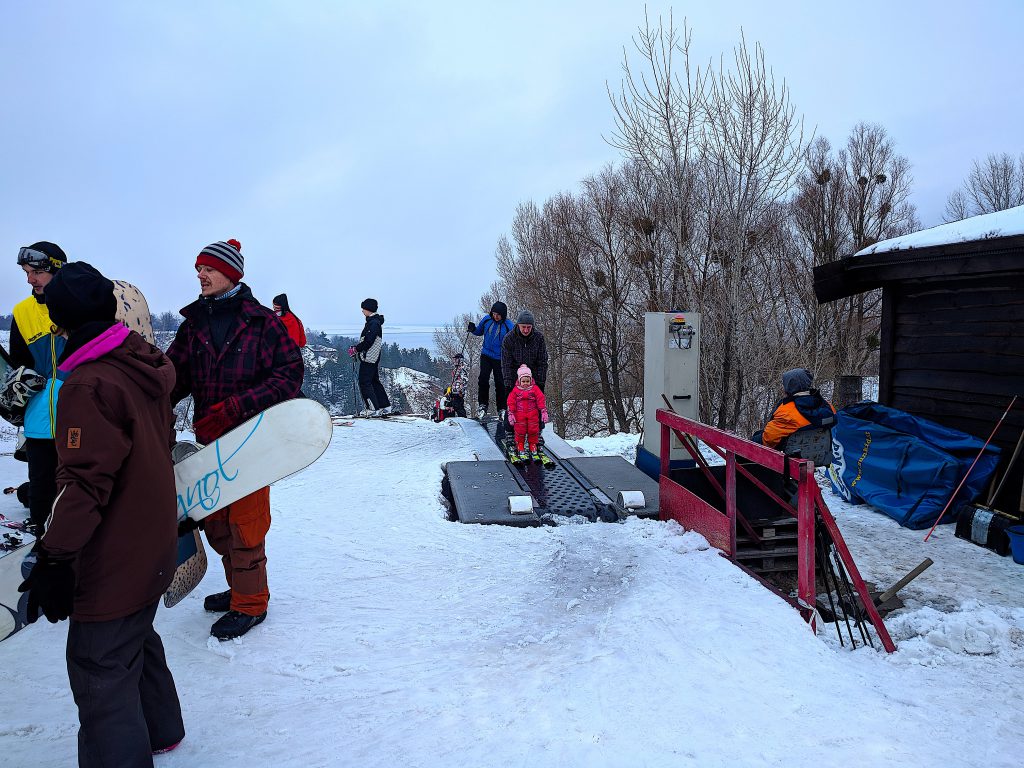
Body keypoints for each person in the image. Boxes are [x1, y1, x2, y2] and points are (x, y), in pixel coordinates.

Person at [18, 261, 185, 764]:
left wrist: (53, 557)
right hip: (153, 542)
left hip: (114, 554)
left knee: (98, 663)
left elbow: (84, 484)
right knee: (135, 633)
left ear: (58, 320)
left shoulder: (88, 384)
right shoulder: (141, 363)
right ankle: (162, 730)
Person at [166, 239, 303, 640]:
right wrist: (152, 402)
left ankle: (251, 602)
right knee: (217, 524)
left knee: (246, 526)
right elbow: (174, 374)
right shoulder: (194, 324)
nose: (200, 275)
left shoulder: (262, 322)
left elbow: (290, 374)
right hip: (208, 441)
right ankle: (238, 589)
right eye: (198, 269)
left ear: (232, 274)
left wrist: (237, 406)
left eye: (208, 268)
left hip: (250, 442)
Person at [8, 242, 68, 536]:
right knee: (42, 486)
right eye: (26, 273)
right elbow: (18, 364)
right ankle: (40, 542)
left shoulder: (80, 307)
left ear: (57, 270)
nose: (30, 280)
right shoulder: (22, 311)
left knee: (75, 487)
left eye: (36, 272)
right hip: (38, 419)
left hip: (78, 415)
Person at [755, 368, 836, 449]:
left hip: (791, 458)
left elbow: (768, 440)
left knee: (753, 441)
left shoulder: (786, 413)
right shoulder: (828, 408)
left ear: (788, 387)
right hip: (821, 455)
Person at [501, 310, 549, 439]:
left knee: (537, 403)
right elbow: (506, 362)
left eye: (529, 327)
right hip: (514, 376)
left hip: (534, 377)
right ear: (518, 325)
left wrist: (540, 380)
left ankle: (537, 431)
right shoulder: (509, 339)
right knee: (512, 404)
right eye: (524, 327)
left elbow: (542, 361)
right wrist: (508, 382)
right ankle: (510, 431)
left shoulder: (539, 338)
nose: (526, 330)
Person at [468, 301, 513, 419]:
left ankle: (502, 408)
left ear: (503, 315)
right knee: (483, 379)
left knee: (500, 383)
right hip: (486, 354)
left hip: (500, 358)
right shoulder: (487, 320)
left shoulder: (509, 325)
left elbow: (514, 342)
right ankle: (483, 405)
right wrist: (473, 329)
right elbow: (479, 331)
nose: (495, 316)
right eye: (494, 314)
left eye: (498, 314)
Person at [348, 298, 391, 416]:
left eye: (363, 309)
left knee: (364, 382)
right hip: (373, 357)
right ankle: (384, 406)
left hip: (369, 357)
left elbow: (368, 341)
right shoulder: (374, 322)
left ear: (369, 309)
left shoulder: (373, 323)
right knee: (374, 381)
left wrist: (356, 349)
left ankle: (372, 409)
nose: (362, 311)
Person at [506, 365, 549, 461]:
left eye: (527, 381)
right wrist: (511, 413)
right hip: (519, 415)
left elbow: (541, 399)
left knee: (533, 430)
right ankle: (520, 445)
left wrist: (543, 410)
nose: (525, 383)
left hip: (532, 414)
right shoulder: (516, 390)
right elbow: (511, 401)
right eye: (523, 381)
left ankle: (532, 445)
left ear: (531, 380)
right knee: (520, 431)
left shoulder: (535, 389)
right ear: (519, 381)